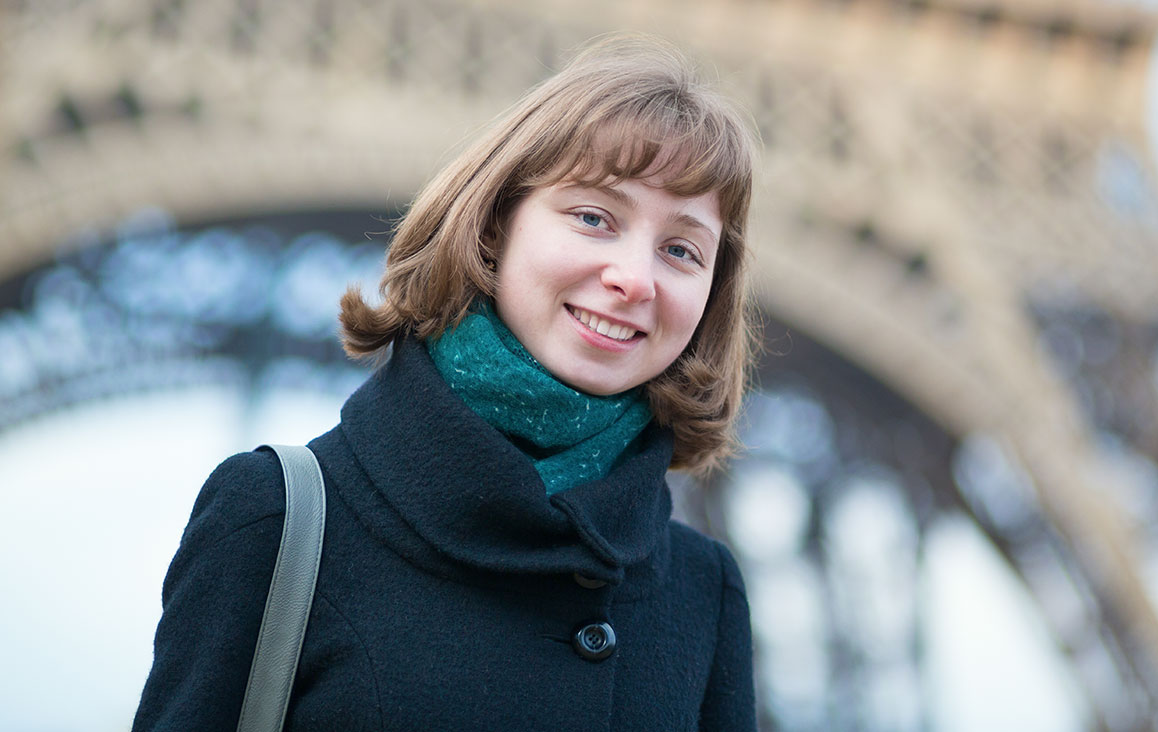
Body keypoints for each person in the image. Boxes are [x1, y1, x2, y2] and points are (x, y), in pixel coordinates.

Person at [133, 33, 760, 731]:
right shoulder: (274, 520)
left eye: (681, 250)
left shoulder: (706, 591)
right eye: (593, 217)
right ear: (494, 225)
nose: (635, 279)